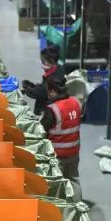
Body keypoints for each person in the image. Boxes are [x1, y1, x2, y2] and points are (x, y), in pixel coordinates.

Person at [39, 71, 83, 201]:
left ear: (52, 91)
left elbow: (42, 129)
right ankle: (77, 209)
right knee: (73, 180)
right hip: (74, 152)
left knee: (55, 184)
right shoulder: (76, 102)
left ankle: (59, 212)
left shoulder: (53, 109)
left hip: (57, 154)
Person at [21, 45, 62, 115]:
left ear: (51, 62)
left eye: (43, 61)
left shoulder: (54, 77)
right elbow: (43, 88)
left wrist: (27, 91)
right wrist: (32, 86)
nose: (42, 64)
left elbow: (42, 92)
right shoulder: (55, 71)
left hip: (50, 112)